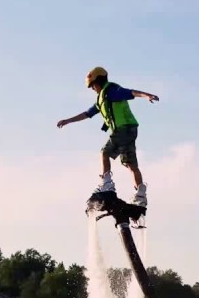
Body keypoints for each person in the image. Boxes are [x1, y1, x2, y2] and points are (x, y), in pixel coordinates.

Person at [56, 66, 159, 206]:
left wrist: (147, 96)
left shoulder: (111, 91)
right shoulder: (101, 99)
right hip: (130, 131)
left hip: (123, 130)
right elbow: (87, 114)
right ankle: (140, 196)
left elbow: (131, 93)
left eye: (93, 86)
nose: (93, 89)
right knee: (130, 164)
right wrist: (68, 121)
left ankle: (107, 185)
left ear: (99, 81)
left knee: (104, 152)